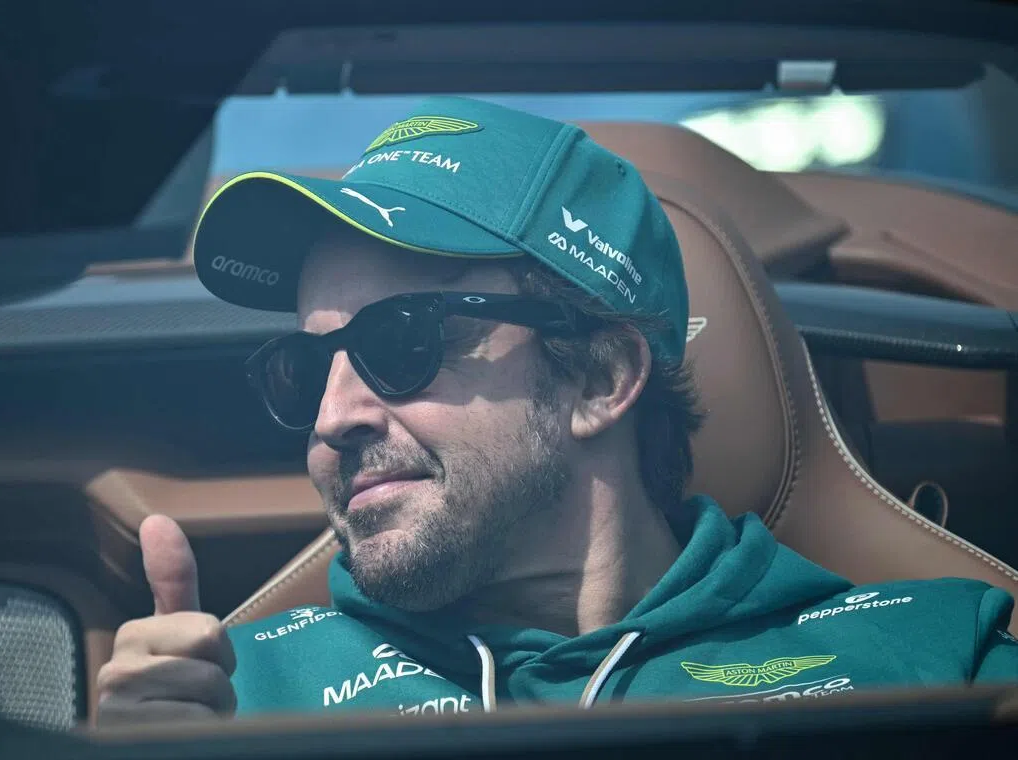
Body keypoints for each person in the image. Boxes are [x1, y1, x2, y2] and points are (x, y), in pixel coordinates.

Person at [95, 96, 1018, 724]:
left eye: (403, 340)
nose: (332, 418)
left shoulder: (937, 663)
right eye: (304, 369)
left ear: (600, 379)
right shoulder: (225, 697)